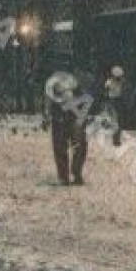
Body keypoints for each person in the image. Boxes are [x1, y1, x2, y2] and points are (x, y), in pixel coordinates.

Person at [43, 58, 93, 186]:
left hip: (69, 117)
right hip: (63, 117)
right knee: (68, 147)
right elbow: (48, 101)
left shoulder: (72, 82)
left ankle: (71, 174)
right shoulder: (53, 82)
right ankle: (67, 175)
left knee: (71, 147)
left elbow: (84, 99)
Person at [101, 65, 128, 147]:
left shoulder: (123, 81)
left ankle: (116, 138)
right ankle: (114, 138)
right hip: (111, 101)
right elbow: (105, 93)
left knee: (119, 121)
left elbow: (124, 91)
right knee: (113, 120)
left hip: (119, 101)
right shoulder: (108, 82)